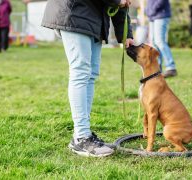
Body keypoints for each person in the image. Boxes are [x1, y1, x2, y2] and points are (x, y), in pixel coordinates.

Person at [41, 0, 134, 157]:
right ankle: (81, 138)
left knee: (90, 75)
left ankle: (84, 134)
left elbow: (122, 4)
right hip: (75, 12)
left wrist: (125, 33)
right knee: (80, 72)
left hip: (93, 18)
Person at [146, 0, 177, 78]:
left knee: (160, 41)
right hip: (152, 16)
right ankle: (157, 68)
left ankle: (171, 67)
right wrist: (147, 10)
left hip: (161, 15)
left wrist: (152, 10)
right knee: (153, 43)